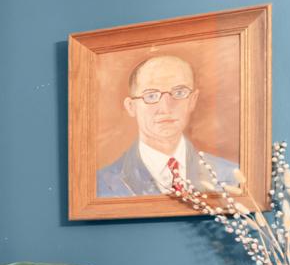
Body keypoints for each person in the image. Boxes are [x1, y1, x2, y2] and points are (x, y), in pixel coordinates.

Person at [96, 53, 237, 196]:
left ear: (192, 100)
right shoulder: (103, 183)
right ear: (131, 107)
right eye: (151, 95)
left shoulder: (229, 175)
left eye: (179, 92)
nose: (165, 108)